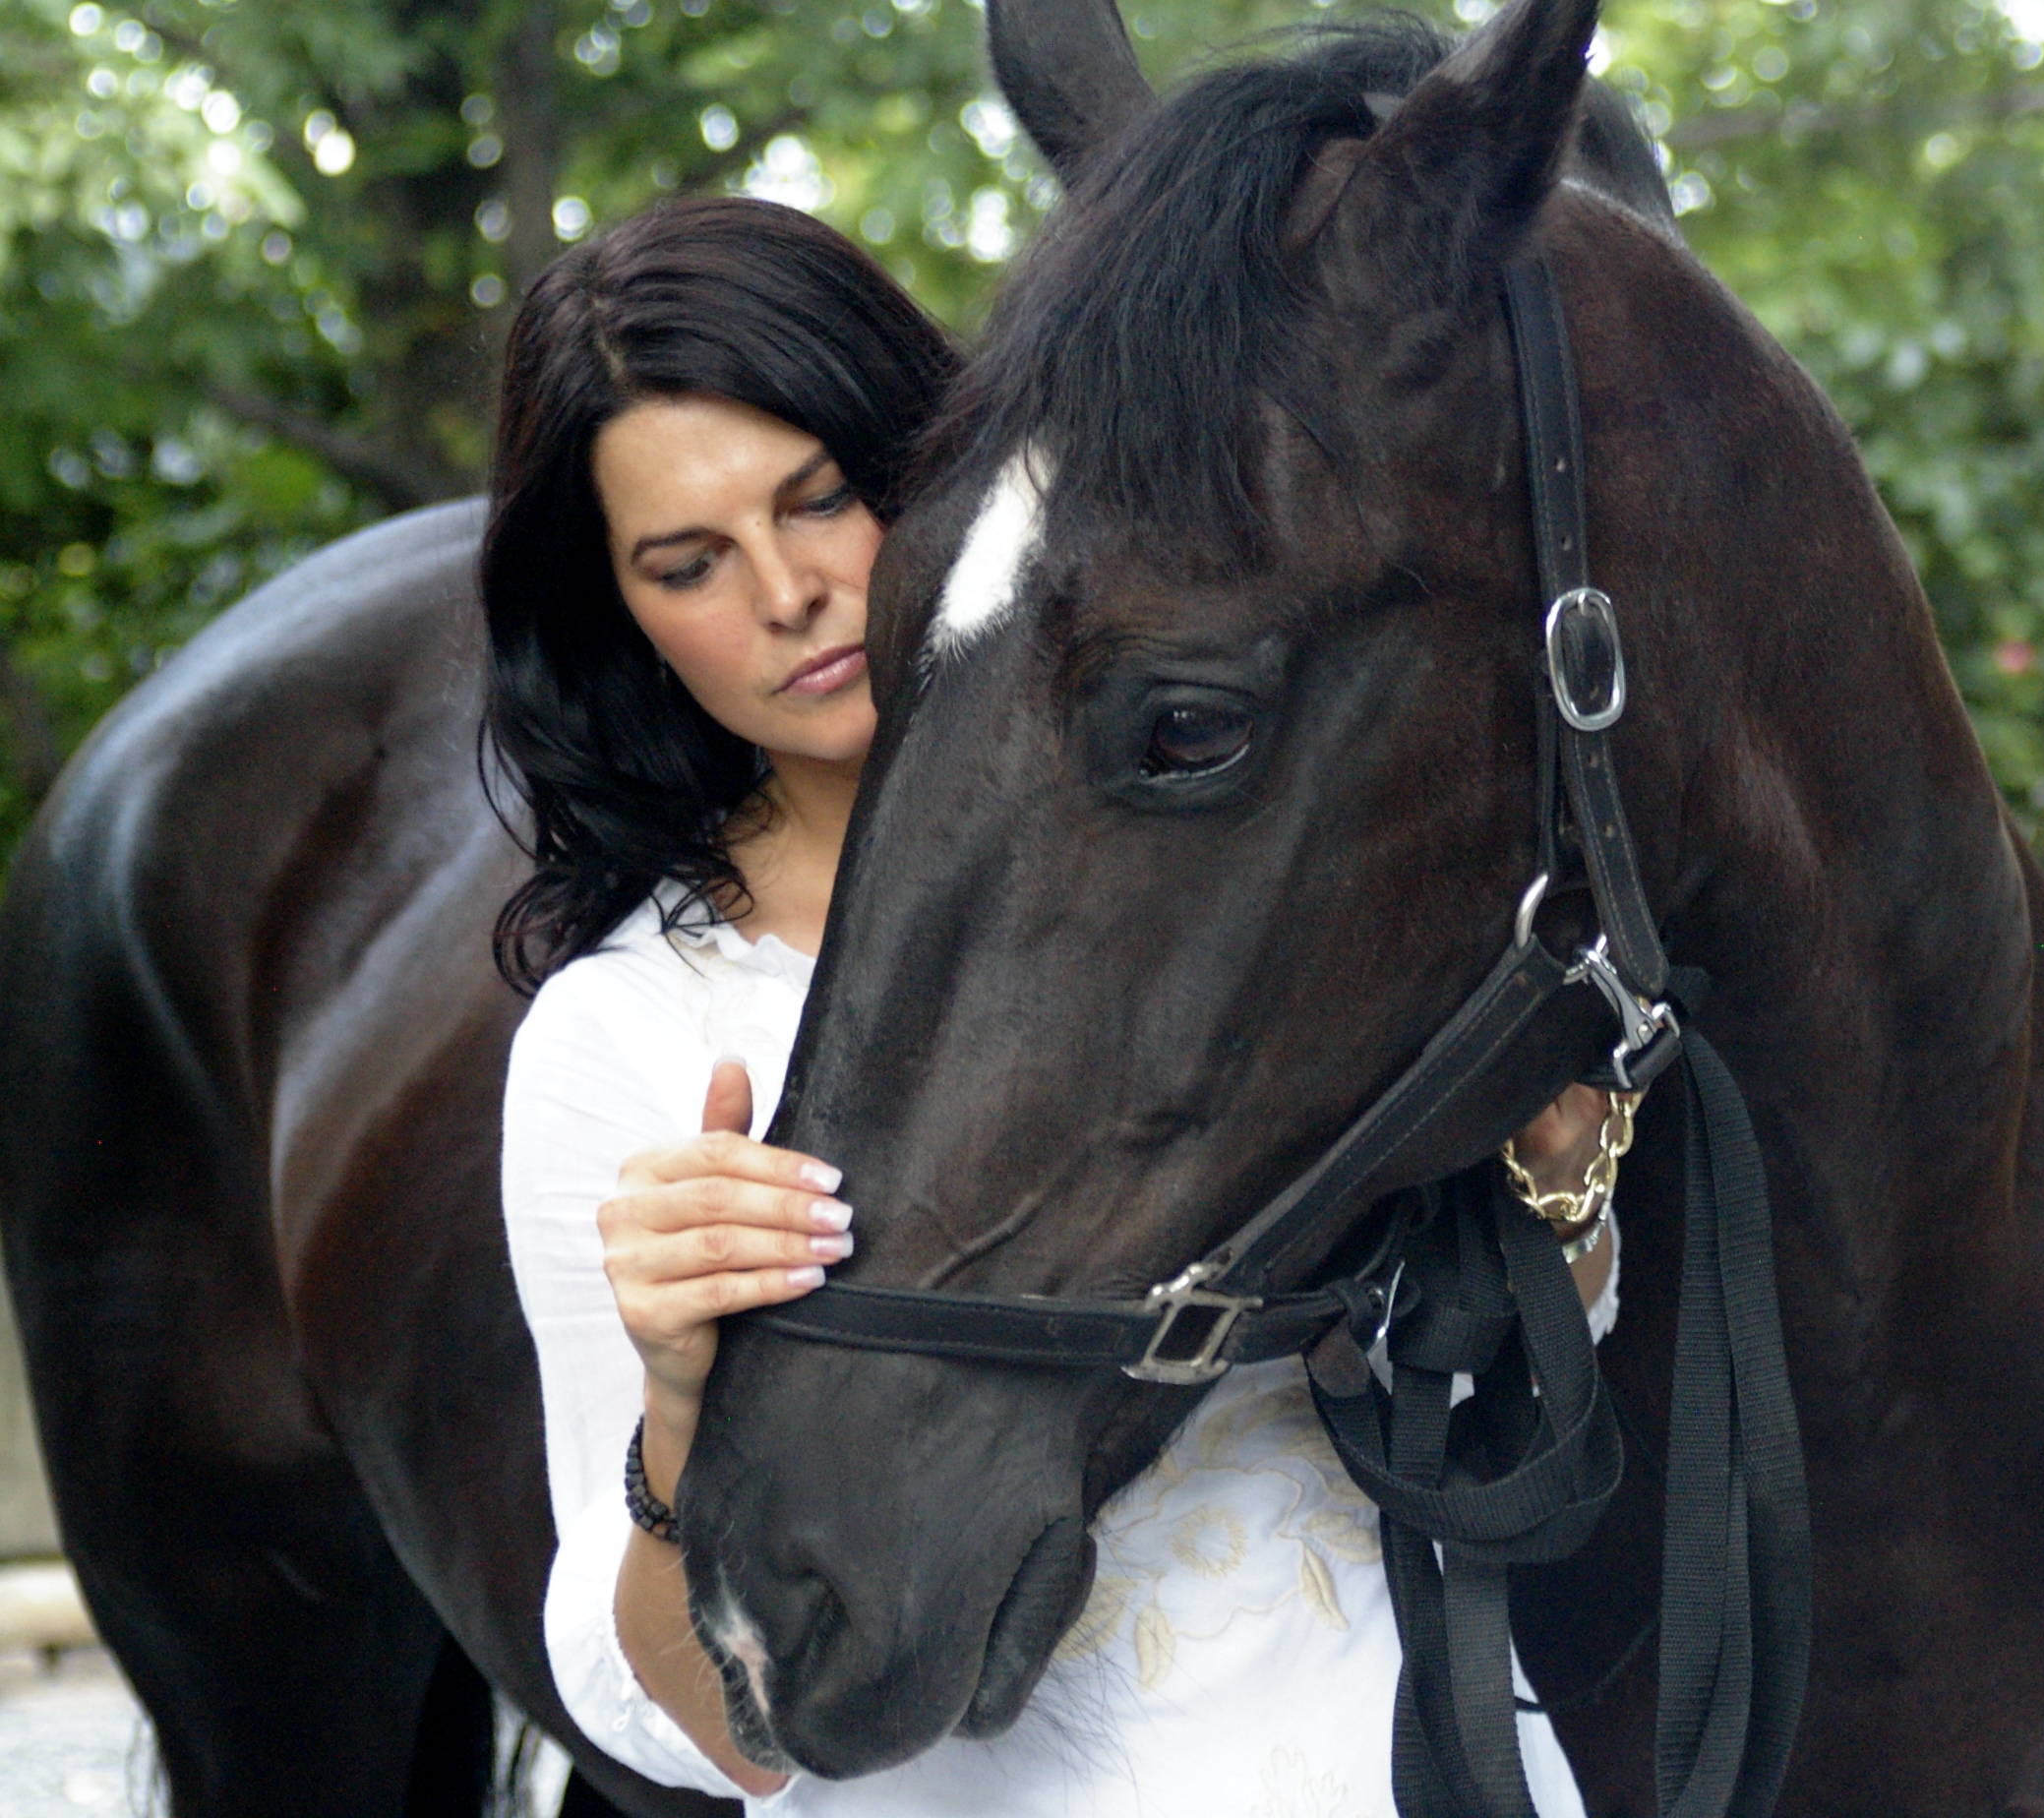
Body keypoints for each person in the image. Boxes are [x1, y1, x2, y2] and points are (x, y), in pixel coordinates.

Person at [483, 195, 1621, 1816]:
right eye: (689, 562)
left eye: (826, 499)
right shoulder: (629, 1040)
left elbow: (1512, 1379)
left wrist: (1559, 1171)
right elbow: (727, 1736)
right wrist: (679, 1403)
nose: (792, 590)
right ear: (623, 622)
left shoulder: (1240, 867)